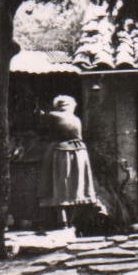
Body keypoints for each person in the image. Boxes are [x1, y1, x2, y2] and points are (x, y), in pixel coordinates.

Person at [38, 95, 102, 233]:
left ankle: (63, 221)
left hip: (62, 152)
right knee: (75, 187)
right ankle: (70, 222)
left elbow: (41, 123)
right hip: (80, 152)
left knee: (60, 186)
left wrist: (42, 113)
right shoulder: (76, 119)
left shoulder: (54, 115)